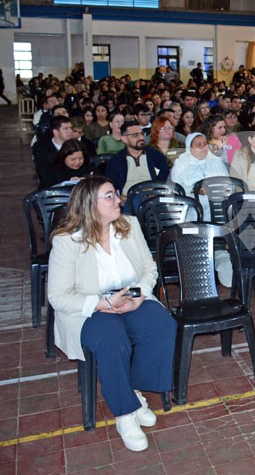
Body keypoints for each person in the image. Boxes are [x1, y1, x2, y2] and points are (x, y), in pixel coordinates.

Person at [47, 176, 176, 451]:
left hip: (129, 297)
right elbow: (58, 296)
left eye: (115, 194)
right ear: (88, 205)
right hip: (88, 308)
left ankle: (132, 390)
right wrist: (103, 303)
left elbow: (148, 268)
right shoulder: (67, 241)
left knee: (162, 325)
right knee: (112, 337)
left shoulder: (129, 225)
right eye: (109, 196)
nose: (118, 200)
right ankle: (124, 414)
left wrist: (139, 296)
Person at [105, 122, 170, 209]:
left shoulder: (155, 156)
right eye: (135, 135)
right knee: (135, 201)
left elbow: (165, 175)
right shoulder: (116, 161)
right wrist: (118, 197)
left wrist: (153, 193)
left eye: (142, 134)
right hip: (129, 200)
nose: (141, 138)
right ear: (124, 139)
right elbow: (111, 185)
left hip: (153, 197)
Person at [169, 132, 228, 220]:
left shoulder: (216, 161)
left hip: (216, 201)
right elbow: (176, 187)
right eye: (199, 145)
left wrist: (214, 190)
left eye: (205, 144)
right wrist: (194, 191)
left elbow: (227, 182)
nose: (203, 147)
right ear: (190, 148)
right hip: (191, 204)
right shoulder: (181, 163)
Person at [34, 116, 75, 188]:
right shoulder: (42, 148)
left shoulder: (77, 145)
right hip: (51, 188)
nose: (70, 131)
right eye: (66, 128)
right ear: (55, 131)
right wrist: (68, 179)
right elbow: (44, 173)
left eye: (71, 128)